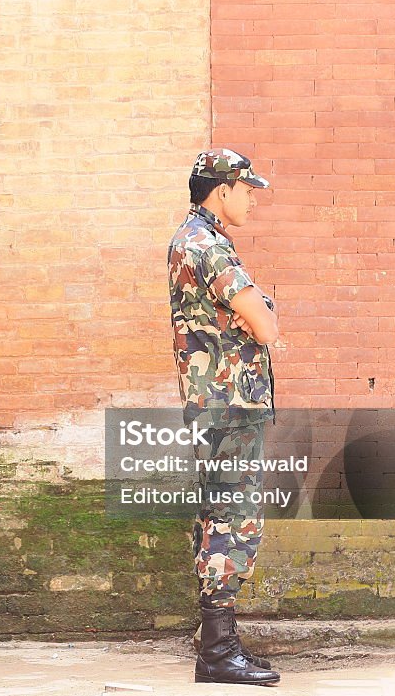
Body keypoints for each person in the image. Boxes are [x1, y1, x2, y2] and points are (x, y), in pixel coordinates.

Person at [166, 148, 280, 685]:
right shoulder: (209, 247)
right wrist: (266, 309)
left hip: (214, 404)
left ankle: (217, 643)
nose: (252, 198)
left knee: (218, 513)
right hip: (229, 405)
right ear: (220, 189)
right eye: (246, 188)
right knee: (233, 520)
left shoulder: (192, 240)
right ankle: (216, 651)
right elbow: (264, 325)